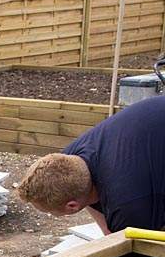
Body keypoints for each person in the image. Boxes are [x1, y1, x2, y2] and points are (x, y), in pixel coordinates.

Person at [17, 95, 165, 234]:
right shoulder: (70, 159)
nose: (50, 214)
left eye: (49, 212)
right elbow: (85, 196)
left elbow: (140, 249)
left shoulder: (127, 207)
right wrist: (108, 231)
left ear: (72, 207)